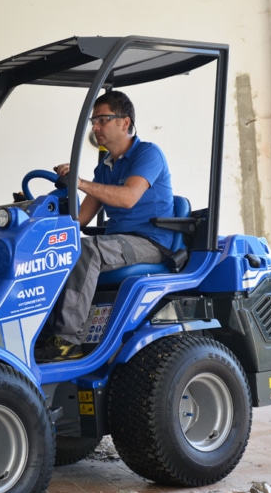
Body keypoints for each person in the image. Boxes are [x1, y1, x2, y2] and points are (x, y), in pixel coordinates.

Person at [34, 90, 175, 362]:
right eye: (93, 121)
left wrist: (79, 181)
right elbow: (80, 219)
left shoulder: (148, 154)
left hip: (150, 242)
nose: (95, 127)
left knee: (86, 250)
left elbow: (127, 198)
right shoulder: (105, 168)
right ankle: (42, 332)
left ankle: (67, 341)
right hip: (119, 242)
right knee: (57, 248)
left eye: (102, 120)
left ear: (125, 122)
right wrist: (41, 233)